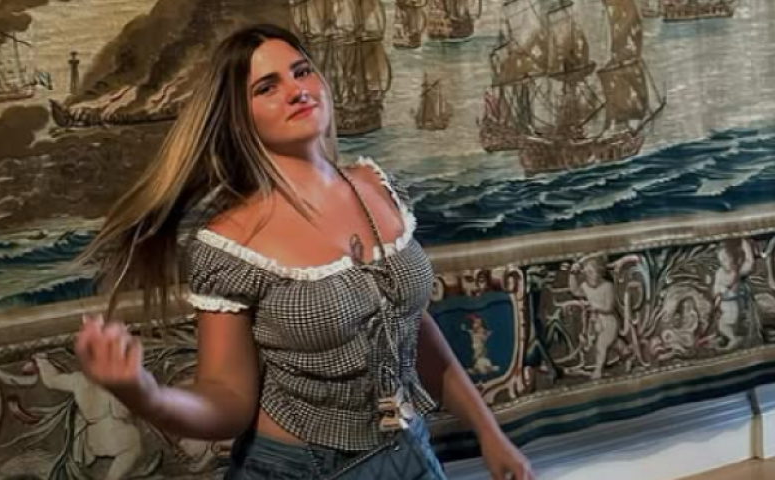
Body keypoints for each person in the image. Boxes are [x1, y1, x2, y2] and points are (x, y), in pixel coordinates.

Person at [72, 23, 534, 480]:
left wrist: (489, 432)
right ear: (239, 117)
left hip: (410, 451)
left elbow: (409, 327)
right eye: (267, 87)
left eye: (301, 71)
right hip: (299, 469)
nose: (296, 91)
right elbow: (227, 400)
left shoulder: (379, 187)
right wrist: (145, 394)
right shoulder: (231, 243)